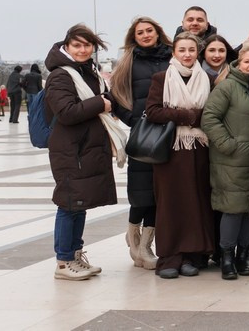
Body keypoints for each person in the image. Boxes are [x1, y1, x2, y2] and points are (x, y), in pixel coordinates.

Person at [44, 24, 120, 280]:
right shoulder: (60, 75)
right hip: (70, 150)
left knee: (79, 203)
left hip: (84, 148)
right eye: (77, 45)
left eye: (87, 45)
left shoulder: (89, 72)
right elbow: (66, 112)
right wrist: (101, 102)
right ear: (66, 46)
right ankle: (64, 262)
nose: (83, 49)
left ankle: (75, 255)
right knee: (68, 204)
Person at [144, 32, 214, 279]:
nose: (187, 54)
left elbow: (211, 113)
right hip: (171, 150)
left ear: (198, 53)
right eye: (182, 50)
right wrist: (188, 116)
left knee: (196, 202)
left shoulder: (206, 79)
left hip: (198, 149)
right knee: (170, 203)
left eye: (191, 50)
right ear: (174, 52)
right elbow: (153, 111)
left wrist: (185, 114)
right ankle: (170, 257)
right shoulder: (162, 78)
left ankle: (191, 255)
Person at [202, 40, 249, 280]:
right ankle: (227, 257)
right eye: (247, 61)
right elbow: (209, 118)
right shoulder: (227, 87)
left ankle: (243, 255)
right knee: (233, 209)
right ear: (239, 63)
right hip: (231, 160)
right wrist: (228, 144)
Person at [110, 16, 173, 271]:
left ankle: (146, 244)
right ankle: (134, 237)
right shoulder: (128, 62)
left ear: (158, 33)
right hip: (143, 133)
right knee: (141, 192)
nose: (146, 35)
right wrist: (134, 120)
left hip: (168, 132)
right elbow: (115, 97)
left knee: (159, 192)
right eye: (140, 33)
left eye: (150, 31)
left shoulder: (172, 57)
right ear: (134, 38)